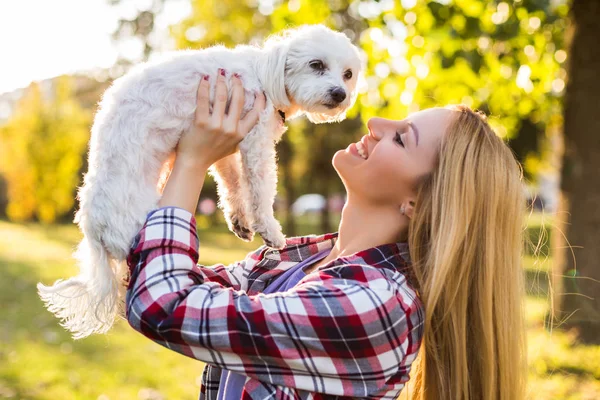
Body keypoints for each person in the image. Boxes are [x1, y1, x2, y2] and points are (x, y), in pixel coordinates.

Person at [125, 70, 526, 400]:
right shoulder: (302, 260)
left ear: (418, 203)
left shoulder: (375, 306)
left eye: (401, 137)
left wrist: (194, 161)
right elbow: (148, 278)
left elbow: (162, 304)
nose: (375, 124)